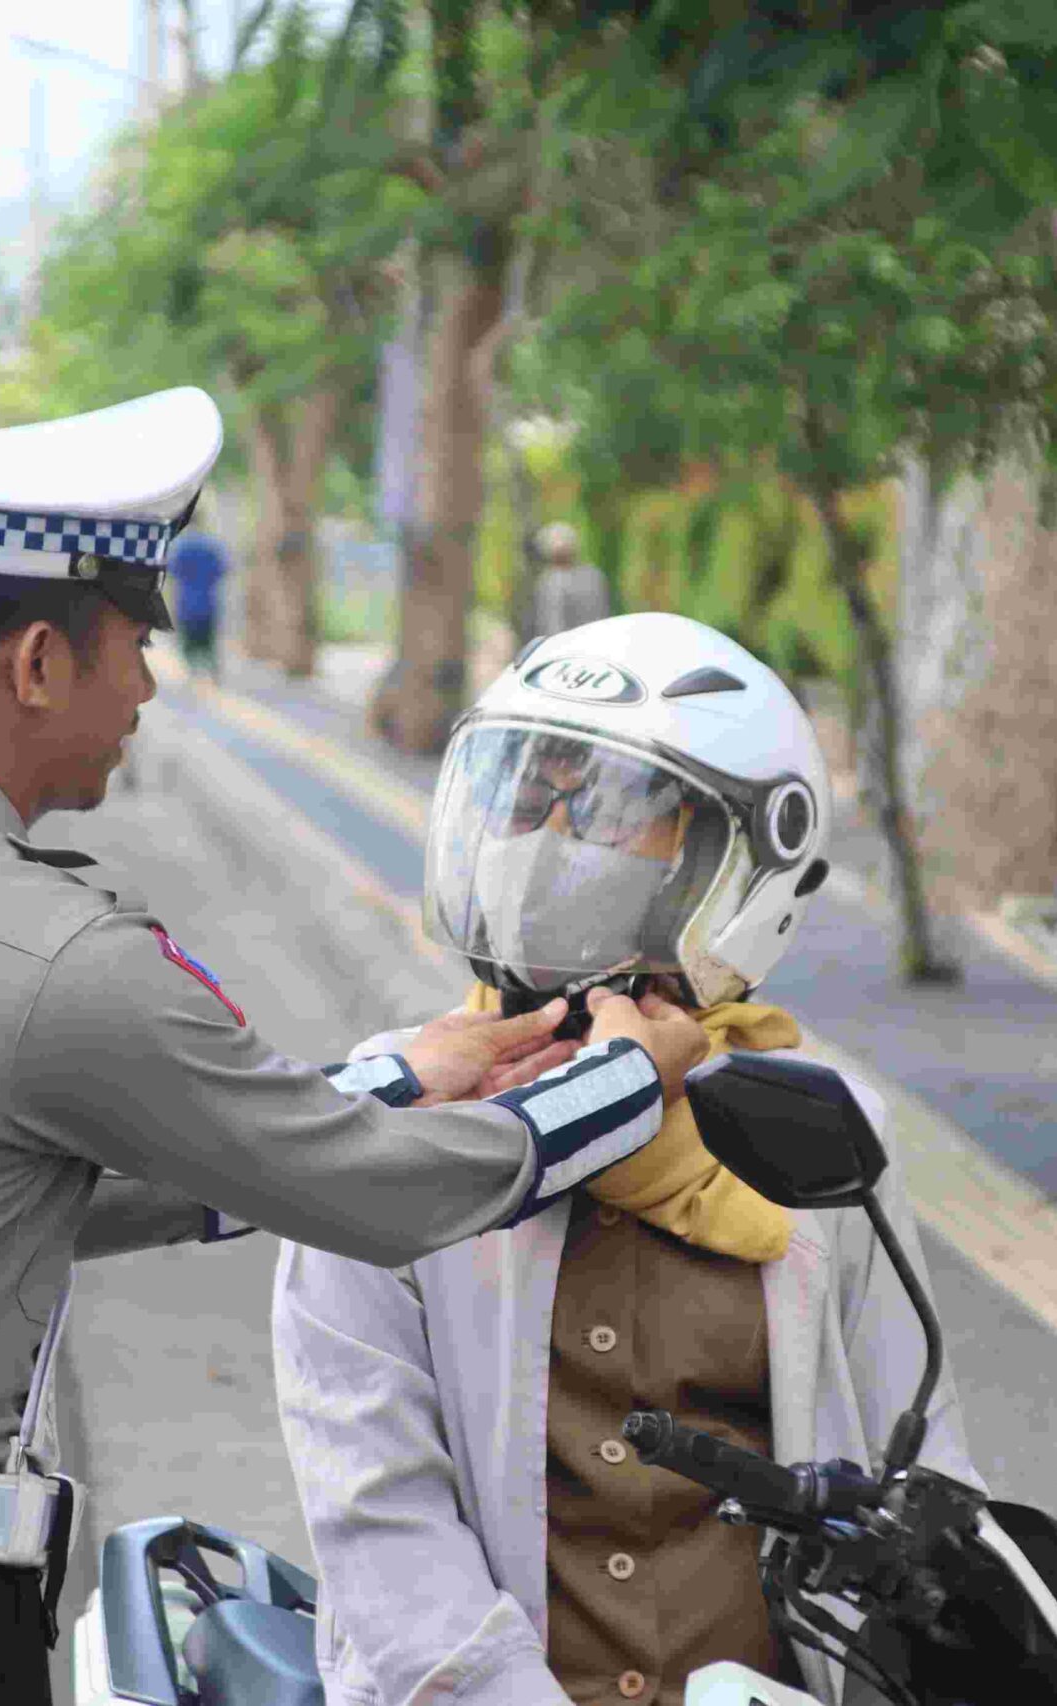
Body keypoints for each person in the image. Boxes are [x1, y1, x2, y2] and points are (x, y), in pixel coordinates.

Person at [0, 386, 711, 1704]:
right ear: (34, 663)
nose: (150, 683)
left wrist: (399, 1074)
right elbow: (379, 1196)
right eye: (129, 645)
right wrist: (627, 1075)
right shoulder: (56, 954)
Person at [272, 613, 980, 1706]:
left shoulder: (819, 1129)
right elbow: (378, 1519)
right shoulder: (396, 1123)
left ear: (742, 865)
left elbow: (920, 1468)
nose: (550, 839)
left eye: (608, 809)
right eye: (525, 798)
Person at [163, 508, 229, 680]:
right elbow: (223, 570)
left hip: (186, 603)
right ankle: (213, 673)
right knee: (209, 643)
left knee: (189, 643)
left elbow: (171, 571)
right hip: (209, 603)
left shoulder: (180, 545)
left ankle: (193, 675)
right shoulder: (212, 545)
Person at [527, 521, 611, 646]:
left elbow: (551, 625)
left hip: (577, 646)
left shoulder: (551, 581)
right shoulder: (592, 574)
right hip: (588, 643)